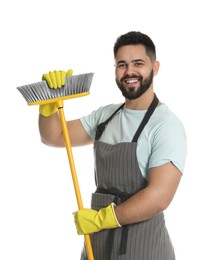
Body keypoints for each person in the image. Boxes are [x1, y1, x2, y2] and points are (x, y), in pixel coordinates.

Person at [38, 31, 187, 260]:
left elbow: (159, 196)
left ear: (155, 67)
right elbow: (55, 136)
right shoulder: (106, 116)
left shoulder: (166, 125)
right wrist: (49, 103)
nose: (129, 72)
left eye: (138, 63)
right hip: (97, 245)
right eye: (121, 64)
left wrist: (100, 219)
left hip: (143, 248)